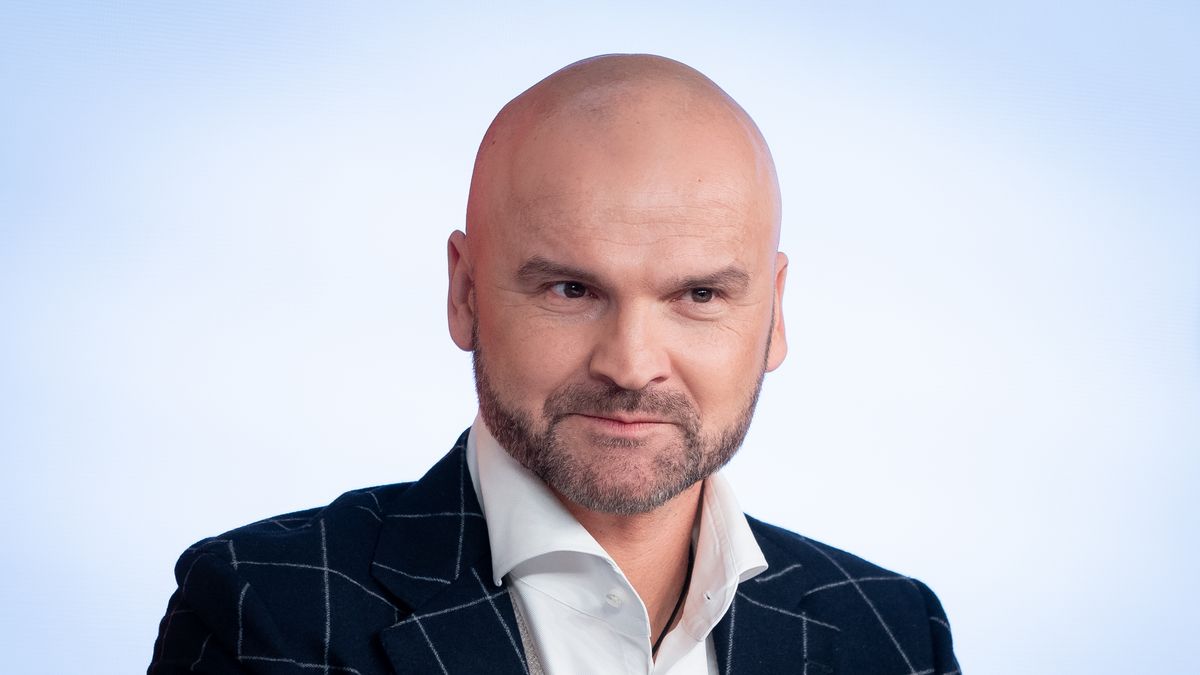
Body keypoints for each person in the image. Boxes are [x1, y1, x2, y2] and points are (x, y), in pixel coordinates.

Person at [149, 54, 959, 675]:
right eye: (572, 289)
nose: (633, 364)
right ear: (466, 293)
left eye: (701, 294)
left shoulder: (891, 633)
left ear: (774, 313)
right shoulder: (263, 611)